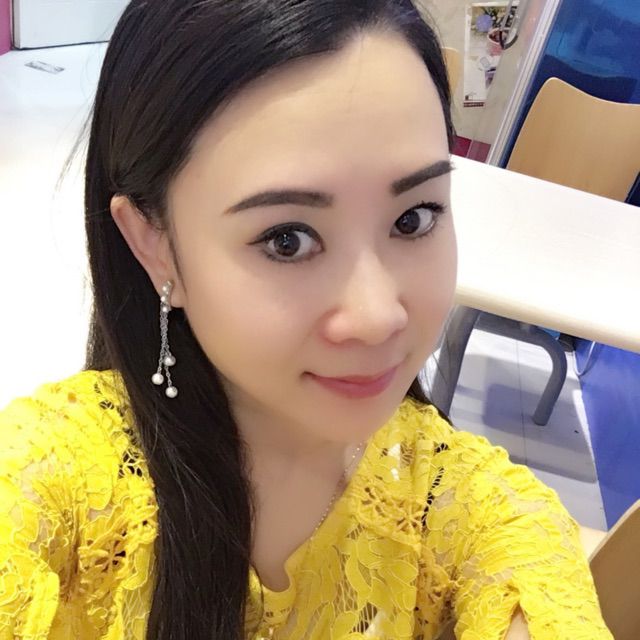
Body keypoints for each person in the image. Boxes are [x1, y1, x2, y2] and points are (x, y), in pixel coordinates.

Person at [0, 1, 613, 639]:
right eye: (287, 240)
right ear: (155, 244)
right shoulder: (56, 482)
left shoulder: (471, 509)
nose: (377, 315)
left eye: (413, 218)